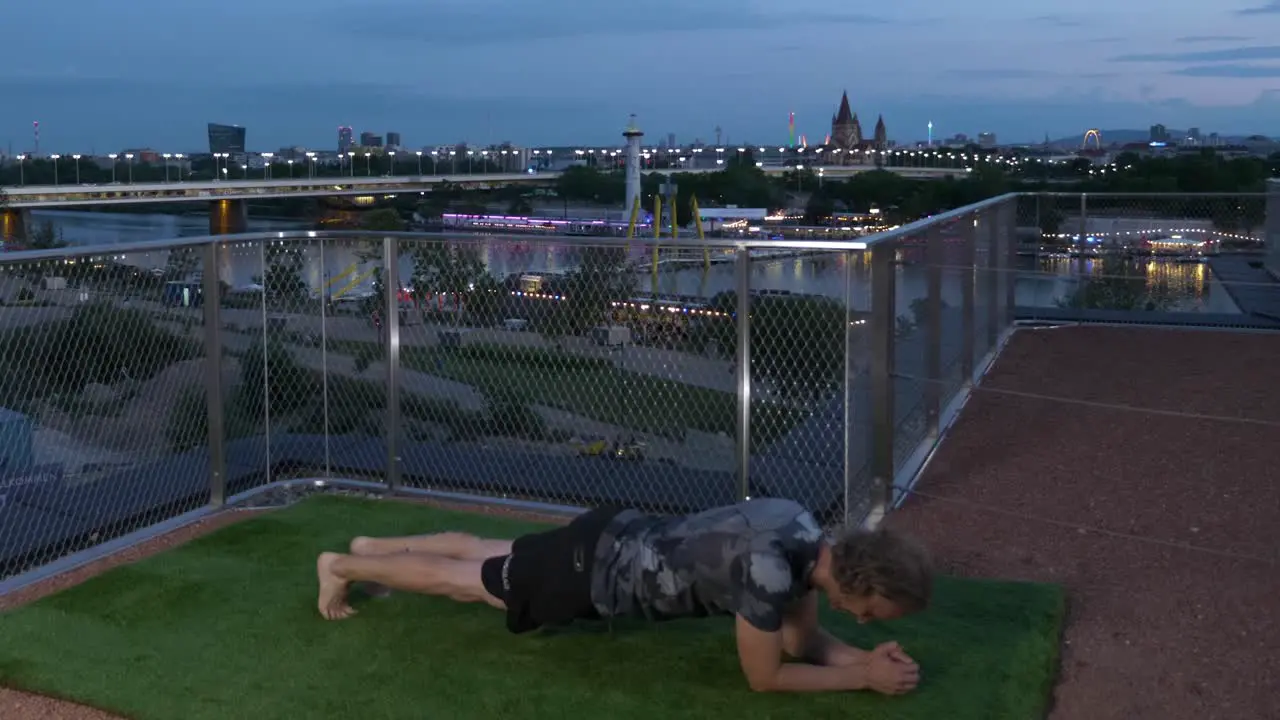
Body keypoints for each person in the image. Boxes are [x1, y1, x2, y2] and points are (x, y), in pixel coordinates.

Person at [316, 498, 932, 695]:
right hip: (594, 575)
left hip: (611, 533)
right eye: (874, 612)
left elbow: (803, 640)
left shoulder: (800, 528)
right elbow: (765, 675)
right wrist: (862, 680)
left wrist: (868, 663)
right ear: (860, 584)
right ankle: (341, 565)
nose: (867, 619)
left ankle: (371, 548)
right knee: (470, 584)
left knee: (482, 549)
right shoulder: (771, 574)